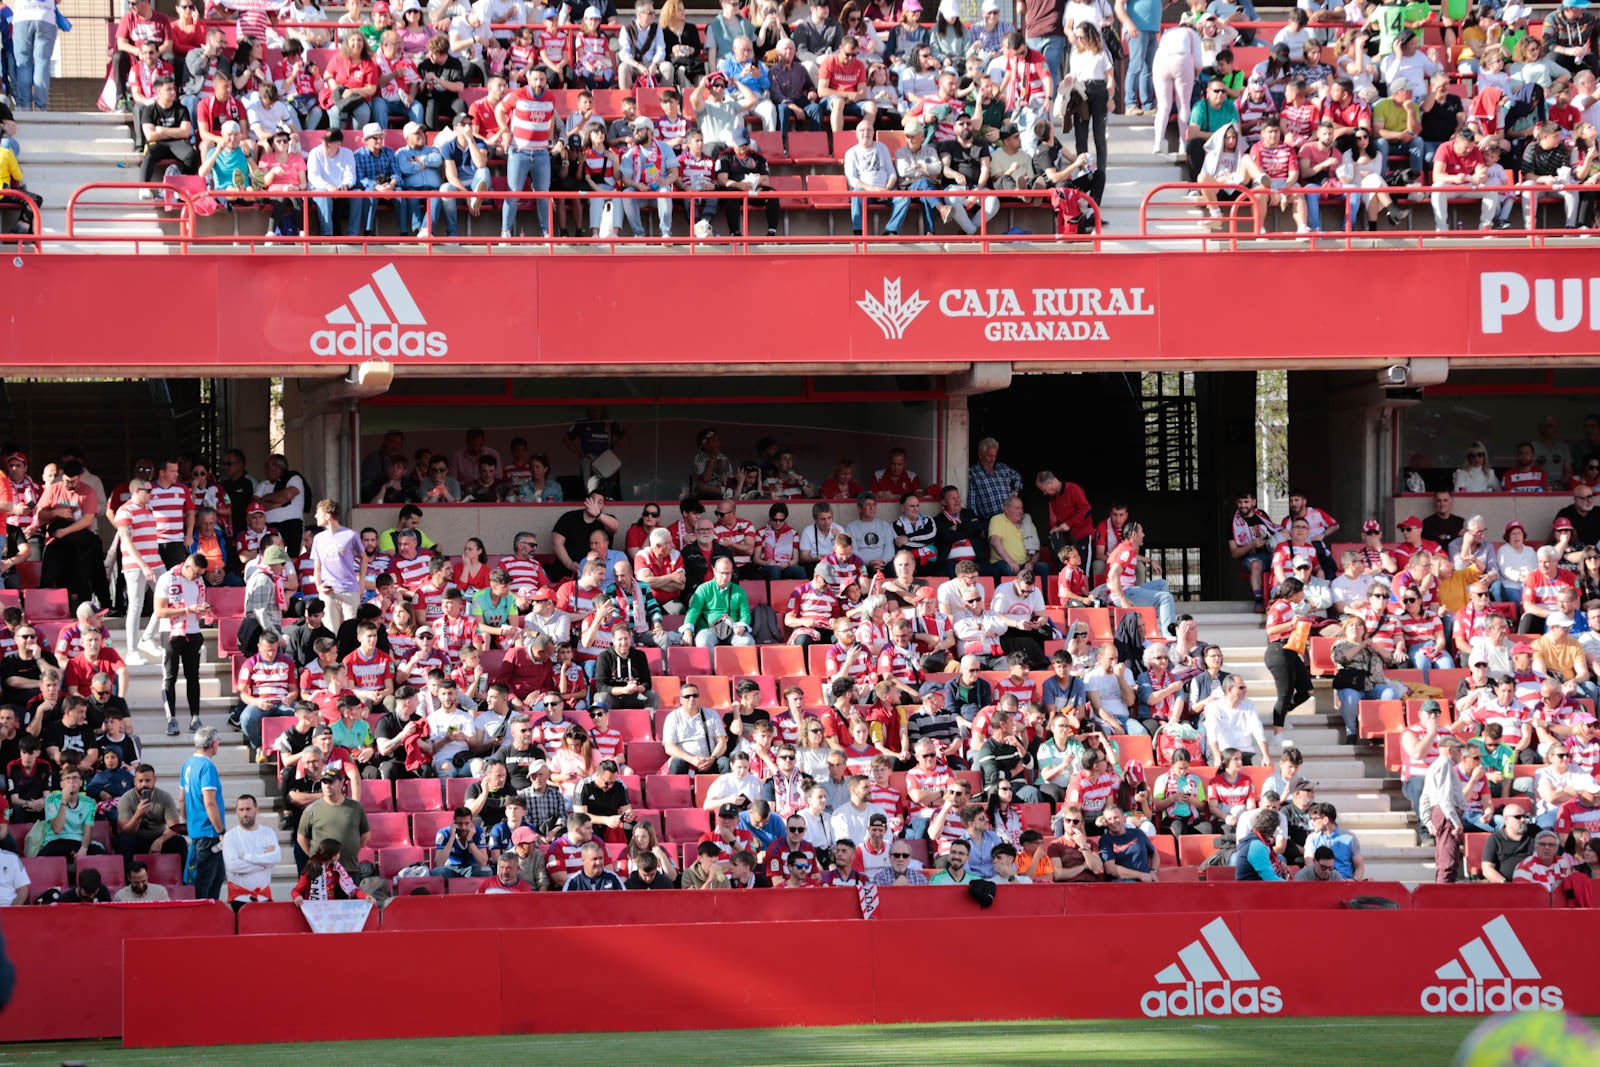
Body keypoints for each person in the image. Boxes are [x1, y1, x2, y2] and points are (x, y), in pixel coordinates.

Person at [180, 726, 227, 899]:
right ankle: (205, 922)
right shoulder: (207, 766)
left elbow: (181, 799)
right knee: (206, 883)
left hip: (198, 831)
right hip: (209, 833)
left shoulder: (187, 764)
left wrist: (189, 822)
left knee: (216, 878)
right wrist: (221, 830)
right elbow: (210, 802)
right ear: (213, 744)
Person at [1419, 738, 1466, 883]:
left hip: (1440, 814)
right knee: (1448, 860)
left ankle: (1441, 894)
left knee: (1443, 859)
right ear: (1450, 750)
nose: (1461, 754)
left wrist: (1427, 821)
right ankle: (1444, 896)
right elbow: (1445, 797)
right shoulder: (1445, 765)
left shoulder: (1434, 766)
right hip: (1447, 815)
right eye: (1459, 750)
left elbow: (1425, 797)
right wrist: (1455, 821)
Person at [222, 793, 280, 904]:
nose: (245, 813)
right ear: (236, 811)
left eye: (248, 809)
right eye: (241, 810)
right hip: (239, 898)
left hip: (264, 897)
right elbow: (232, 866)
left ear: (256, 809)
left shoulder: (268, 832)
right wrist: (264, 863)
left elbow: (276, 858)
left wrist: (247, 857)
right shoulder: (230, 836)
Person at [1097, 804, 1157, 881]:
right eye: (1109, 819)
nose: (1113, 821)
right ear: (1106, 822)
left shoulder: (1138, 833)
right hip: (1122, 883)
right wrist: (1140, 875)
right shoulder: (1105, 840)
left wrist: (1153, 871)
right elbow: (1110, 869)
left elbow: (1154, 854)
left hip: (1146, 881)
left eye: (1116, 817)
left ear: (1124, 818)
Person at [1235, 807, 1288, 880]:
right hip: (1251, 889)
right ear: (1273, 829)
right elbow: (1269, 878)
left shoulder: (1259, 842)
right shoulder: (1257, 846)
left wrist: (1279, 862)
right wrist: (1292, 886)